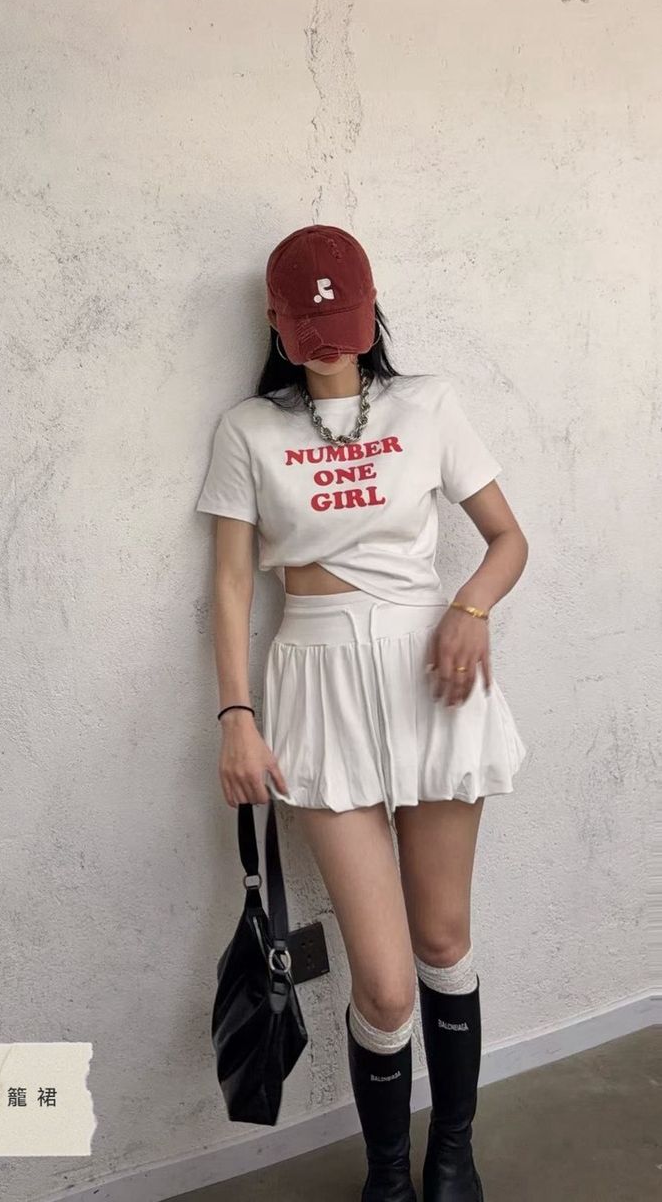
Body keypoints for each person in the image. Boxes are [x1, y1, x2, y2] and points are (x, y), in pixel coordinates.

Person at [195, 225, 528, 1202]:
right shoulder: (248, 430)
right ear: (277, 323)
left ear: (371, 309)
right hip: (319, 683)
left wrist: (471, 608)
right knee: (381, 982)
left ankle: (452, 1154)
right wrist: (235, 713)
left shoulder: (430, 404)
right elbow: (229, 586)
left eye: (343, 320)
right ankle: (386, 1174)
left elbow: (507, 539)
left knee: (442, 941)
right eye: (309, 326)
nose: (328, 342)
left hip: (434, 675)